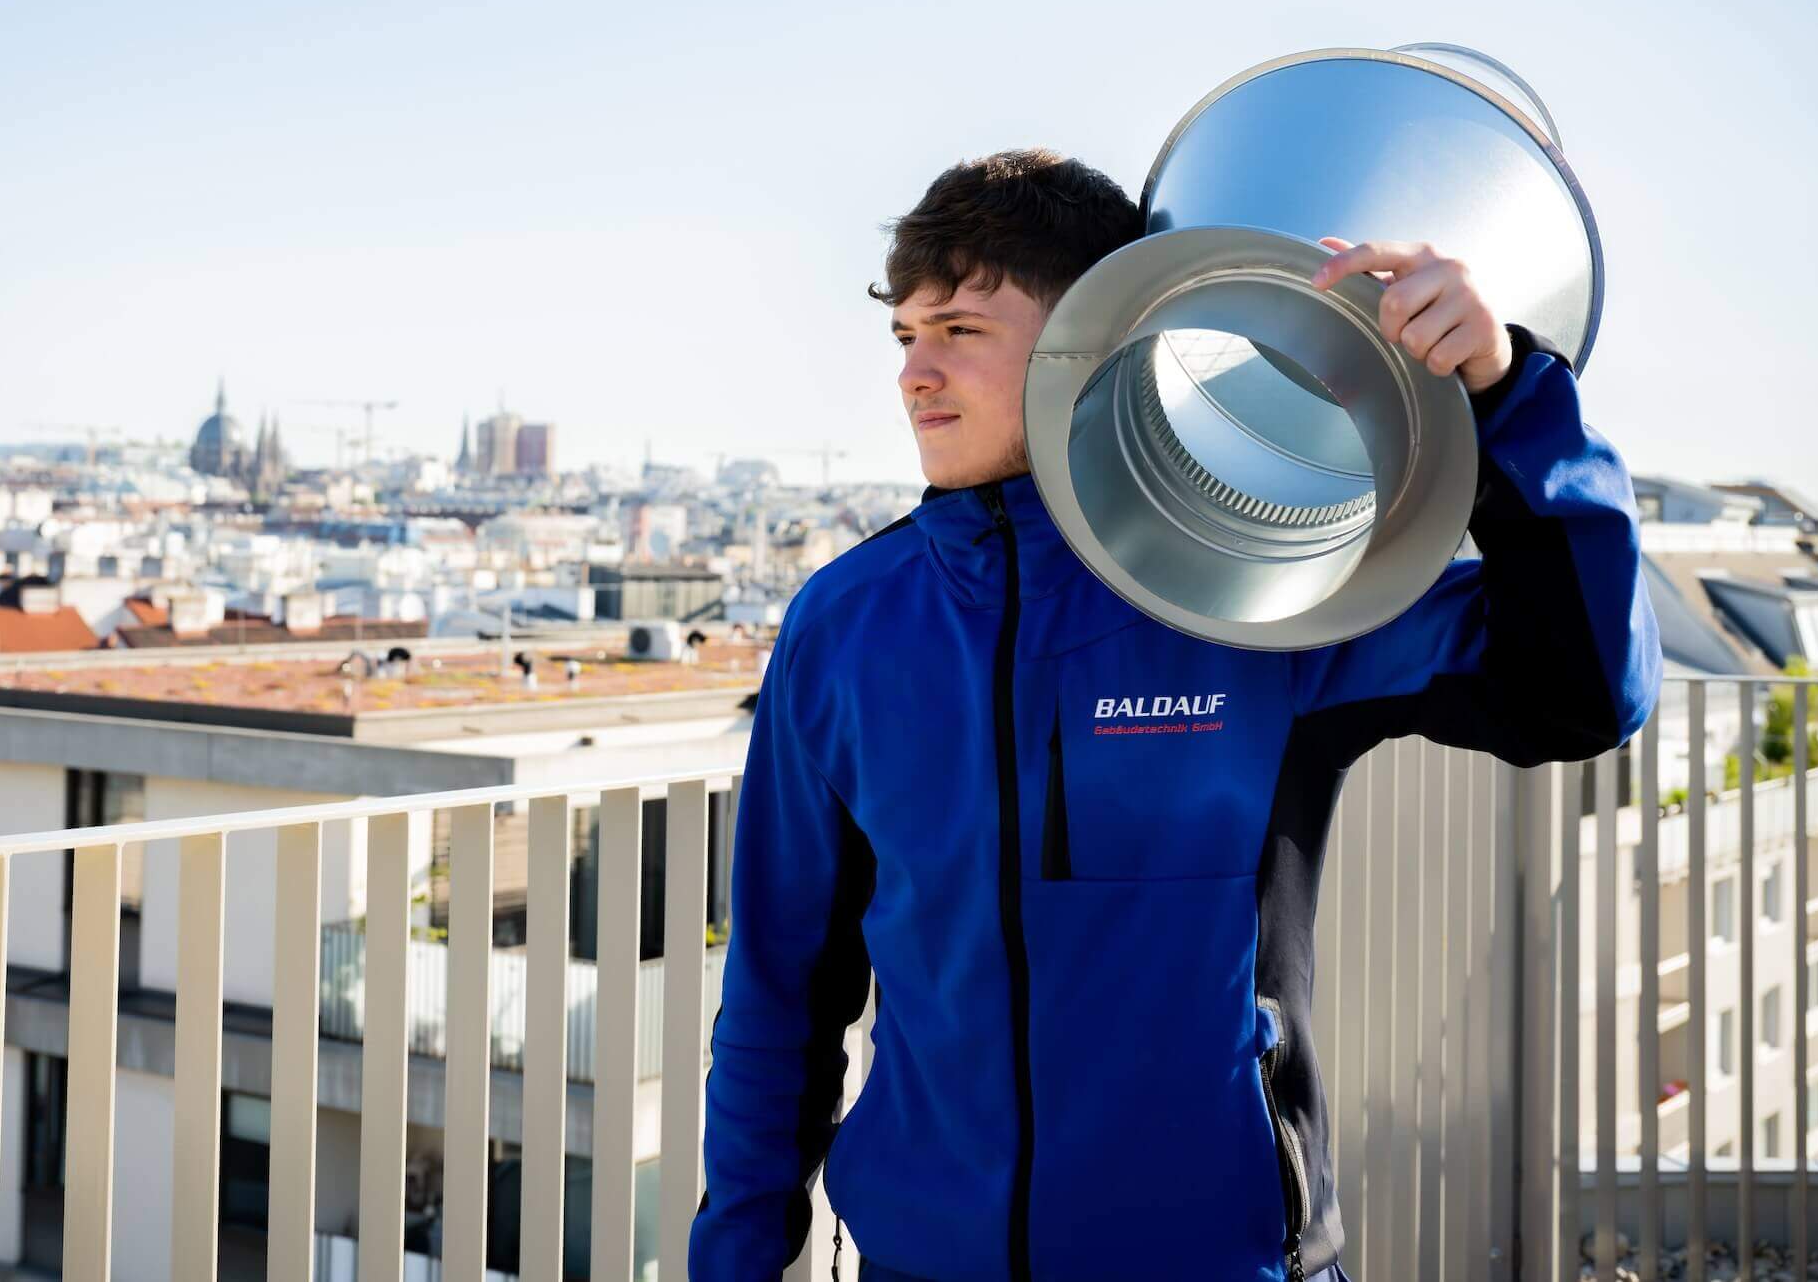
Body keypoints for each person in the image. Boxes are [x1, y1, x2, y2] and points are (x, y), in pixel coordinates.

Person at [687, 149, 1657, 1282]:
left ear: (1086, 337)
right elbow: (779, 1002)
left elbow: (1584, 688)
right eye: (905, 336)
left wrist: (1504, 392)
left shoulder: (1260, 590)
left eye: (957, 329)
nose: (915, 373)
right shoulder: (845, 624)